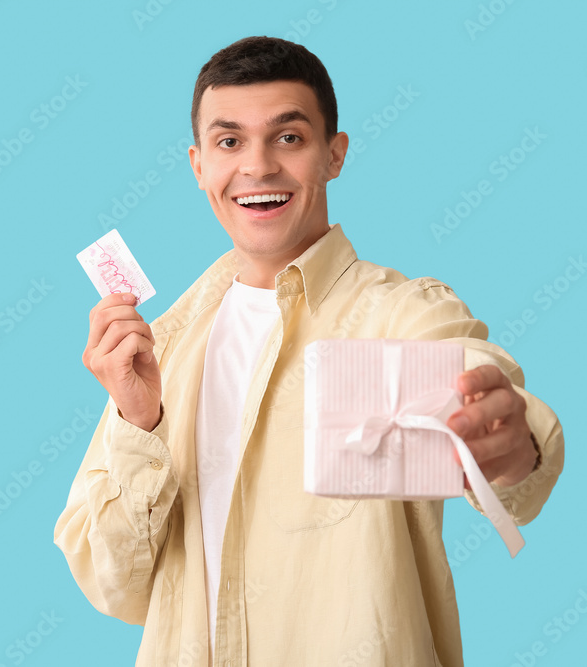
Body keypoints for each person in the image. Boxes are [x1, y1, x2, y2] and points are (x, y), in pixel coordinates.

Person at [53, 36, 564, 666]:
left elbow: (483, 385)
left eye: (288, 137)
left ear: (334, 155)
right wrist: (140, 422)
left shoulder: (400, 312)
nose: (258, 165)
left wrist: (511, 440)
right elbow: (113, 585)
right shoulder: (163, 347)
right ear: (198, 165)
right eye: (229, 141)